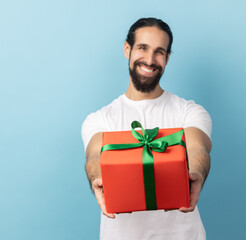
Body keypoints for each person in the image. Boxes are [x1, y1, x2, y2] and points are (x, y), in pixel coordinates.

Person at [81, 17, 212, 240]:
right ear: (127, 49)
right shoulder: (99, 119)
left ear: (168, 57)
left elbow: (198, 149)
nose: (150, 60)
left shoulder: (190, 112)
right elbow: (95, 156)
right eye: (143, 48)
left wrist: (197, 173)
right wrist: (97, 180)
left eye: (159, 52)